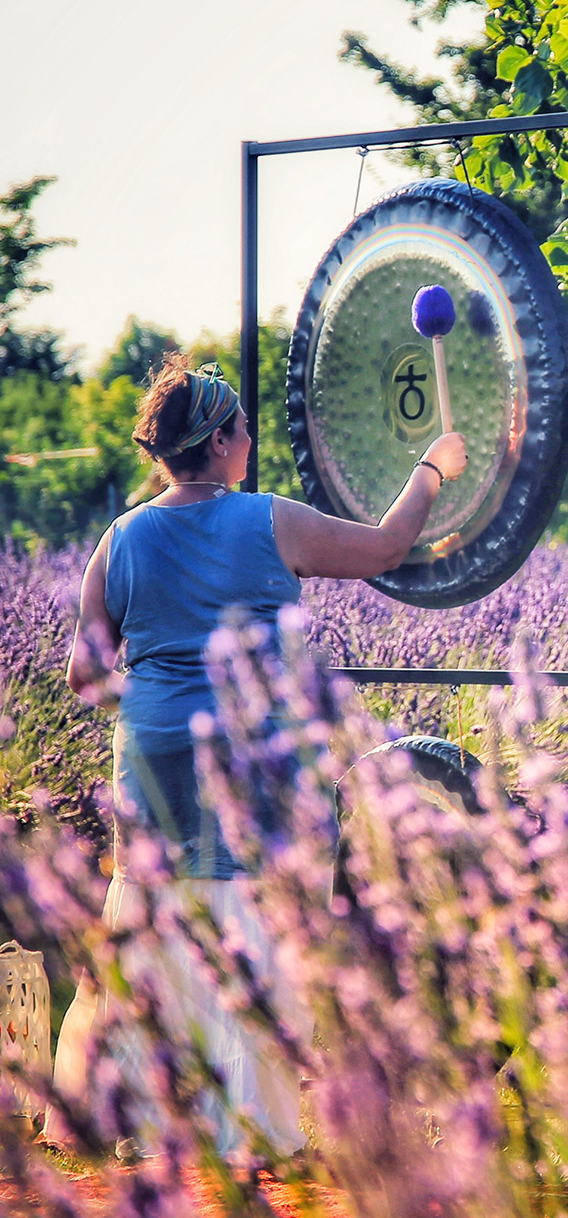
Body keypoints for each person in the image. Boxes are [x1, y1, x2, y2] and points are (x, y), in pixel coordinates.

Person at [54, 353, 467, 1155]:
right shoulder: (266, 519)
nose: (250, 438)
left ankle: (144, 1117)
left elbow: (81, 674)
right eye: (242, 426)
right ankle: (250, 1133)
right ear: (216, 444)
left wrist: (155, 707)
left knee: (156, 925)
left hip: (150, 759)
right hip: (245, 762)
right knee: (250, 933)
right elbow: (385, 548)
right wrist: (432, 468)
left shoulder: (121, 537)